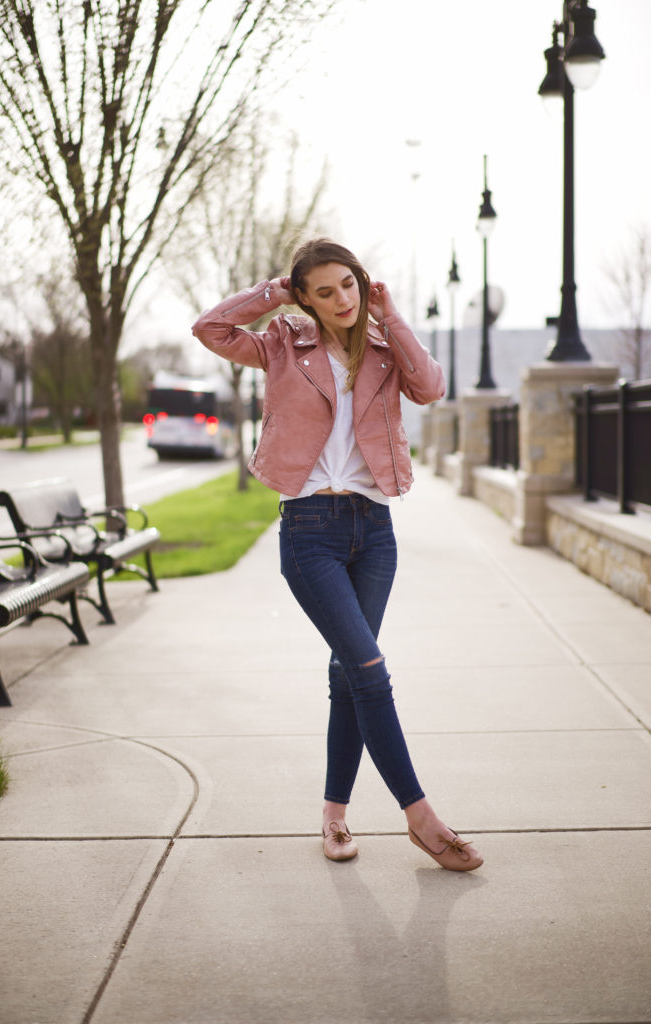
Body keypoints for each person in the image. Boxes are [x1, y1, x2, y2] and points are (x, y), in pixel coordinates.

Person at [192, 238, 483, 872]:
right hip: (310, 531)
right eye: (323, 291)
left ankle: (333, 817)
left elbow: (431, 387)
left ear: (361, 282)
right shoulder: (281, 345)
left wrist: (391, 314)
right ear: (305, 296)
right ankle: (421, 818)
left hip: (373, 531)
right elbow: (211, 328)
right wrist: (274, 293)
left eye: (348, 285)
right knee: (371, 671)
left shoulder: (383, 348)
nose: (340, 299)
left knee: (348, 676)